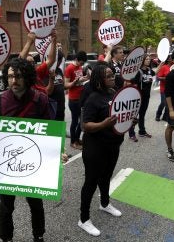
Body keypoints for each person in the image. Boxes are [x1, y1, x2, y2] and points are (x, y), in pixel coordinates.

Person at [0, 58, 50, 242]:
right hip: (7, 163)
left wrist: (58, 152)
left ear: (27, 77)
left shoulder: (40, 99)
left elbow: (49, 132)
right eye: (9, 77)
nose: (13, 81)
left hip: (32, 162)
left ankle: (38, 235)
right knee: (6, 206)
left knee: (36, 203)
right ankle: (6, 238)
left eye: (18, 76)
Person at [78, 64, 124, 237]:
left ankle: (104, 203)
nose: (113, 77)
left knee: (106, 177)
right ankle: (83, 219)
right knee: (91, 182)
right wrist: (104, 124)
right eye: (109, 75)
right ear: (99, 80)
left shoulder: (115, 93)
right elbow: (86, 125)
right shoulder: (93, 98)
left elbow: (120, 118)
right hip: (95, 148)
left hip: (113, 145)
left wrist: (129, 122)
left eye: (113, 74)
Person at [64, 51, 89, 149]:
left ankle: (77, 139)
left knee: (82, 121)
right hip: (73, 99)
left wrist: (85, 78)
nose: (82, 65)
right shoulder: (69, 68)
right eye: (81, 63)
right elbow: (66, 85)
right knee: (75, 121)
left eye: (83, 63)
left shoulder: (79, 67)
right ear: (76, 60)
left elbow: (79, 79)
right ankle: (73, 142)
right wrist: (74, 82)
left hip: (81, 98)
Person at [128, 54, 156, 141]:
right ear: (142, 60)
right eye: (146, 59)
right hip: (138, 97)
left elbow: (156, 72)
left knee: (142, 115)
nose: (148, 60)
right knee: (134, 116)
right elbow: (134, 85)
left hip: (146, 97)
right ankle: (131, 133)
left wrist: (162, 63)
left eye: (149, 59)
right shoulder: (138, 72)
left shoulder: (149, 70)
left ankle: (142, 131)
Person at [155, 57, 172, 122]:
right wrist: (166, 78)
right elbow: (158, 77)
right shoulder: (164, 67)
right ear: (168, 60)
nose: (172, 59)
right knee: (163, 103)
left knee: (169, 103)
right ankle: (158, 115)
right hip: (164, 88)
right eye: (171, 58)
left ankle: (165, 116)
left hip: (171, 89)